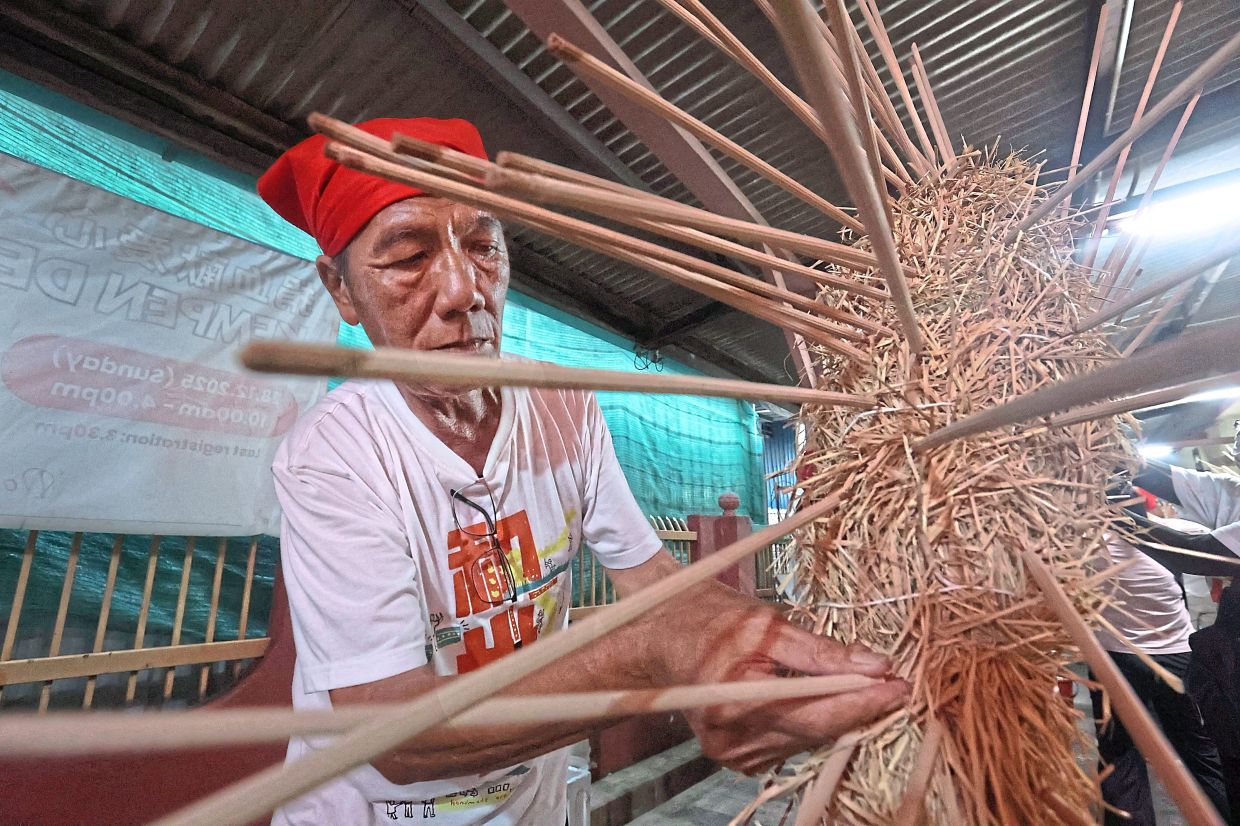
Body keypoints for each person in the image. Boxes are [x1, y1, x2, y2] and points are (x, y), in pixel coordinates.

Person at [256, 117, 909, 825]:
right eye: (410, 256)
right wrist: (656, 659)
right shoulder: (336, 456)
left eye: (482, 248)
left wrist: (753, 638)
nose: (462, 292)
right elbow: (389, 733)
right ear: (342, 291)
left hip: (533, 807)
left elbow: (656, 586)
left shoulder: (560, 403)